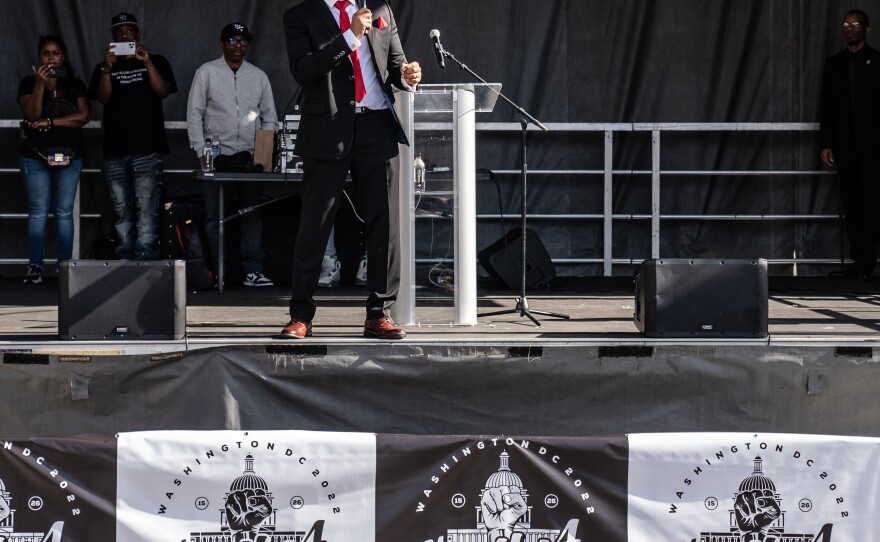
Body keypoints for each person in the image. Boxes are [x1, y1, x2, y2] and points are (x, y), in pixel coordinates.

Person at [281, 0, 421, 339]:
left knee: (385, 223)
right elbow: (303, 70)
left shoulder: (379, 8)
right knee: (316, 223)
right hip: (327, 128)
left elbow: (396, 63)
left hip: (376, 125)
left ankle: (379, 312)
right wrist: (349, 36)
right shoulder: (300, 15)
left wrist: (407, 75)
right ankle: (301, 315)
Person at [187, 22, 278, 287]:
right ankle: (218, 272)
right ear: (222, 44)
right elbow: (194, 113)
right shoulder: (207, 72)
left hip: (250, 159)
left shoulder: (258, 76)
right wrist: (200, 150)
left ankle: (253, 270)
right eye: (232, 41)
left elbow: (269, 117)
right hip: (216, 157)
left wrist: (264, 154)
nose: (238, 46)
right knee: (215, 217)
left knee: (252, 215)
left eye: (243, 42)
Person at [88, 12, 177, 260]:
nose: (124, 35)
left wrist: (146, 61)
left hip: (147, 148)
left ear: (138, 36)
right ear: (112, 39)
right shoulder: (103, 67)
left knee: (147, 208)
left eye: (129, 31)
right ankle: (125, 255)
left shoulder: (156, 61)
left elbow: (162, 90)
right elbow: (103, 98)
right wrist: (107, 69)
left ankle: (146, 255)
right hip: (115, 150)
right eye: (119, 32)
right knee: (120, 208)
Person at [17, 35, 90, 284]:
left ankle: (64, 267)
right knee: (38, 212)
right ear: (40, 57)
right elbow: (30, 113)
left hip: (69, 155)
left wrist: (50, 122)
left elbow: (83, 116)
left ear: (63, 56)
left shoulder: (74, 84)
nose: (51, 57)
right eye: (46, 53)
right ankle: (35, 267)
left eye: (55, 53)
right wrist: (40, 84)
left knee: (63, 212)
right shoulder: (29, 82)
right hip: (35, 156)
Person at [820, 9, 880, 280]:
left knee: (873, 203)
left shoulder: (878, 62)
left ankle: (868, 262)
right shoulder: (834, 64)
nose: (849, 28)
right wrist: (827, 143)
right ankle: (859, 263)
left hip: (874, 146)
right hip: (846, 146)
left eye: (855, 24)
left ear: (866, 30)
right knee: (852, 203)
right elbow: (827, 108)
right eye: (846, 24)